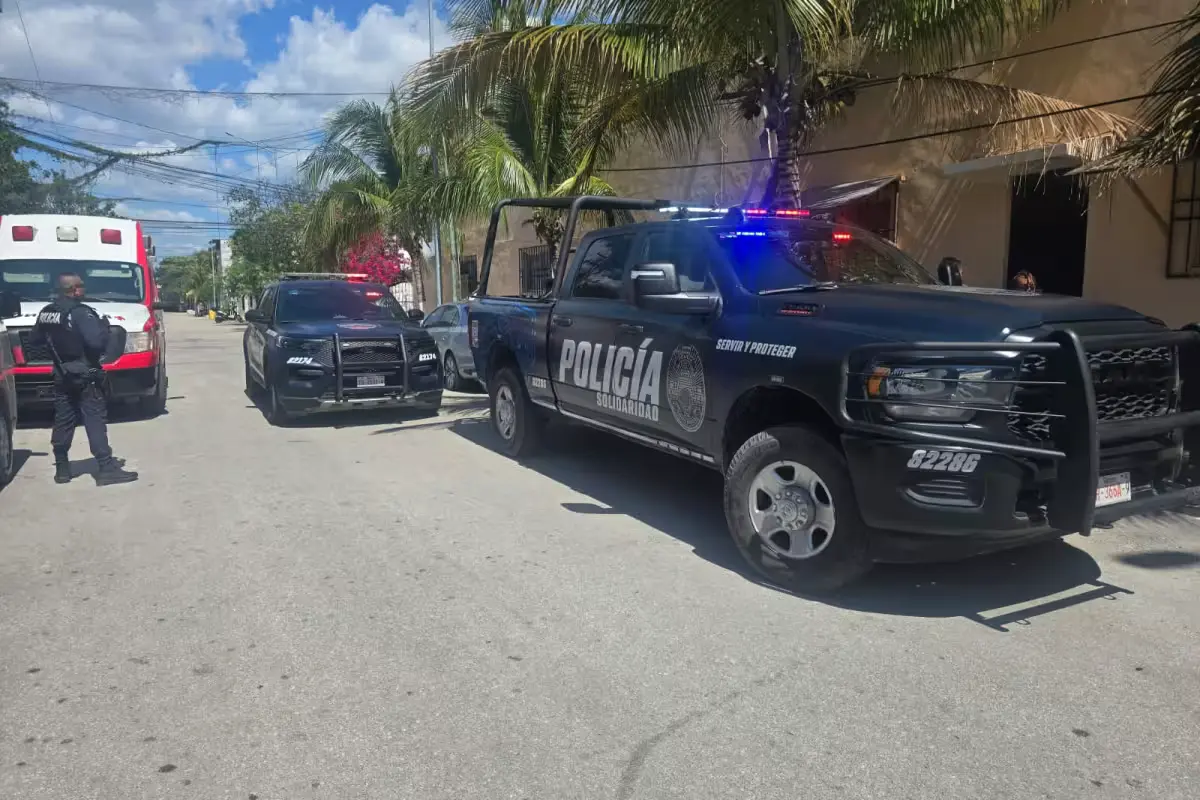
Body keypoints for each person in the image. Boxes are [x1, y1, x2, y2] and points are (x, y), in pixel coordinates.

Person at [29, 274, 138, 485]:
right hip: (86, 374)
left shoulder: (47, 312)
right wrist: (105, 329)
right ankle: (106, 468)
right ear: (75, 290)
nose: (84, 290)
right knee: (94, 419)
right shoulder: (81, 313)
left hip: (61, 374)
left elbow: (35, 340)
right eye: (82, 286)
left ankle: (62, 469)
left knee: (63, 420)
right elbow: (96, 343)